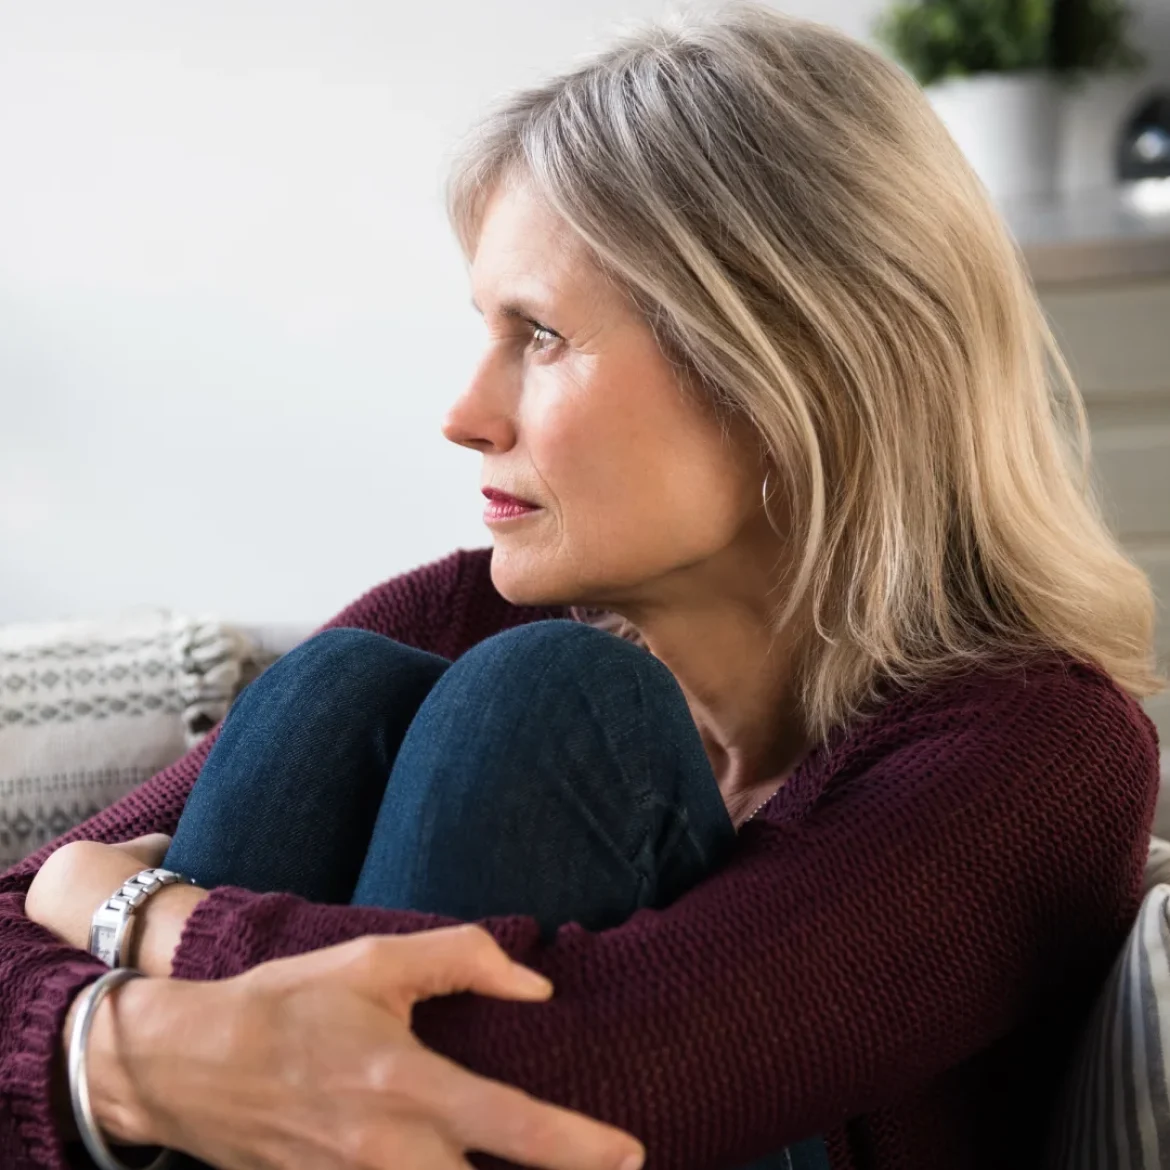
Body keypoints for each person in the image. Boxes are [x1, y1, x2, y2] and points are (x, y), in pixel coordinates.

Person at [1, 5, 1163, 1169]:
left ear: (790, 370)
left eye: (541, 335)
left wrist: (144, 920)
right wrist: (125, 1047)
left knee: (550, 695)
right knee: (334, 689)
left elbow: (606, 1062)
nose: (464, 417)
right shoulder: (454, 616)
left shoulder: (1045, 754)